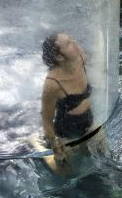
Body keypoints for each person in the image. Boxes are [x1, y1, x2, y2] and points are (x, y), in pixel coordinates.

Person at [40, 32, 93, 163]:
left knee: (101, 161)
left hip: (88, 124)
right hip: (67, 133)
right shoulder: (52, 84)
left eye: (72, 39)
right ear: (59, 56)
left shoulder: (81, 60)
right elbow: (47, 120)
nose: (75, 42)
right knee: (72, 173)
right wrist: (57, 150)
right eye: (69, 43)